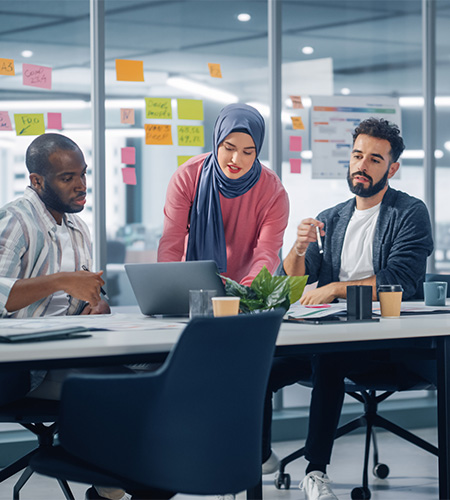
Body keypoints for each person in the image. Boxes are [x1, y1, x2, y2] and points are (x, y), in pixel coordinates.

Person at [262, 118, 434, 500]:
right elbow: (292, 282)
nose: (362, 165)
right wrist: (299, 248)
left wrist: (336, 288)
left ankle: (315, 471)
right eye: (357, 156)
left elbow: (400, 281)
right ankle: (259, 455)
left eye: (375, 159)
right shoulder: (333, 217)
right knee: (260, 367)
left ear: (392, 168)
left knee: (329, 358)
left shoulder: (409, 213)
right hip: (331, 335)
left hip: (386, 343)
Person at [0, 133, 126, 500]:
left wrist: (96, 304)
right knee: (117, 387)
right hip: (15, 369)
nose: (81, 185)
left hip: (64, 354)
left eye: (83, 175)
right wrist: (60, 281)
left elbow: (84, 295)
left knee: (149, 376)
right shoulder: (15, 221)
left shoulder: (77, 228)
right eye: (67, 178)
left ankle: (115, 485)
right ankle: (111, 480)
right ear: (37, 181)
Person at [157, 103, 289, 286]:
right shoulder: (187, 177)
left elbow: (267, 252)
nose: (236, 159)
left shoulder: (273, 192)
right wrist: (168, 288)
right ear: (217, 142)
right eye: (229, 148)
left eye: (248, 152)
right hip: (189, 286)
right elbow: (171, 244)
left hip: (243, 289)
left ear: (257, 151)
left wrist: (246, 294)